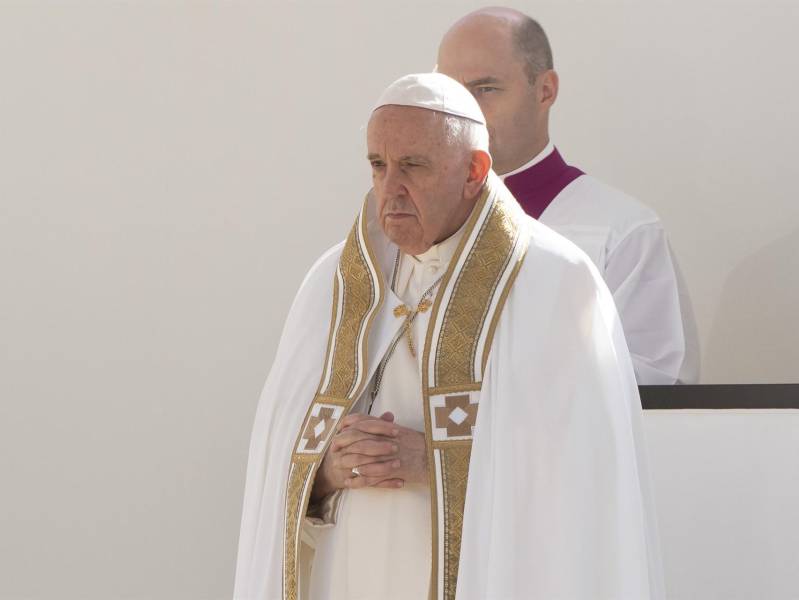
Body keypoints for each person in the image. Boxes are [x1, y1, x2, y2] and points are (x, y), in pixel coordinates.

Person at [233, 73, 664, 600]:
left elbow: (585, 471)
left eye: (413, 166)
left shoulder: (556, 281)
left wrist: (435, 461)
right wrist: (323, 470)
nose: (390, 188)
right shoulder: (335, 282)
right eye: (378, 165)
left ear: (474, 172)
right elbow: (275, 453)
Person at [437, 7, 700, 384]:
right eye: (451, 93)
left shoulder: (622, 233)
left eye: (486, 89)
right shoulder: (411, 232)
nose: (465, 113)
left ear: (545, 90)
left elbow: (655, 391)